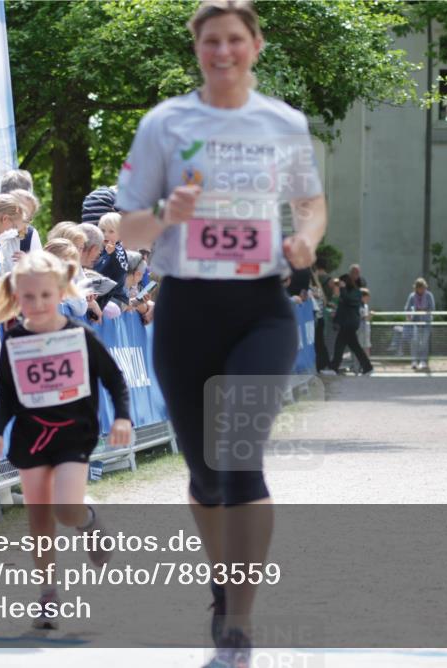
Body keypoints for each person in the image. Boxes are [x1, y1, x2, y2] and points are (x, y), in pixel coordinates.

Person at [116, 1, 327, 662]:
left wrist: (305, 242)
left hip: (260, 307)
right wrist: (165, 213)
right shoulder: (166, 123)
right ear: (198, 49)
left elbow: (310, 202)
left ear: (256, 46)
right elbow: (127, 228)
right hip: (186, 308)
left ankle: (238, 622)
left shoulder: (283, 123)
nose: (224, 51)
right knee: (206, 473)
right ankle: (222, 581)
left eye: (236, 39)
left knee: (240, 457)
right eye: (212, 41)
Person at [0, 250, 132, 630]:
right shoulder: (15, 340)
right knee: (39, 518)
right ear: (17, 298)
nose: (37, 305)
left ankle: (89, 519)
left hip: (72, 433)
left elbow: (114, 380)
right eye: (28, 298)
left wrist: (123, 417)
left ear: (61, 293)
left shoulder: (80, 334)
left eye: (46, 296)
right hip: (31, 437)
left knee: (65, 510)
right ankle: (48, 594)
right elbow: (6, 394)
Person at [329, 274, 372, 375]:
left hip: (350, 324)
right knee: (354, 347)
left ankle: (333, 368)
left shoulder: (355, 292)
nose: (339, 286)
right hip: (346, 324)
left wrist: (343, 289)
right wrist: (336, 320)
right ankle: (367, 367)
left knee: (340, 346)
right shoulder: (345, 293)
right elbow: (341, 309)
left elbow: (349, 300)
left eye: (341, 283)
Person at [404, 277, 435, 371]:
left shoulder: (429, 295)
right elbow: (407, 308)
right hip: (415, 322)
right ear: (416, 288)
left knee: (424, 343)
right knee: (415, 342)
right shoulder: (412, 296)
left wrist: (423, 310)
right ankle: (414, 361)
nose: (422, 289)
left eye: (423, 287)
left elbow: (432, 308)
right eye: (420, 287)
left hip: (426, 323)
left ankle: (423, 361)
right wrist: (410, 315)